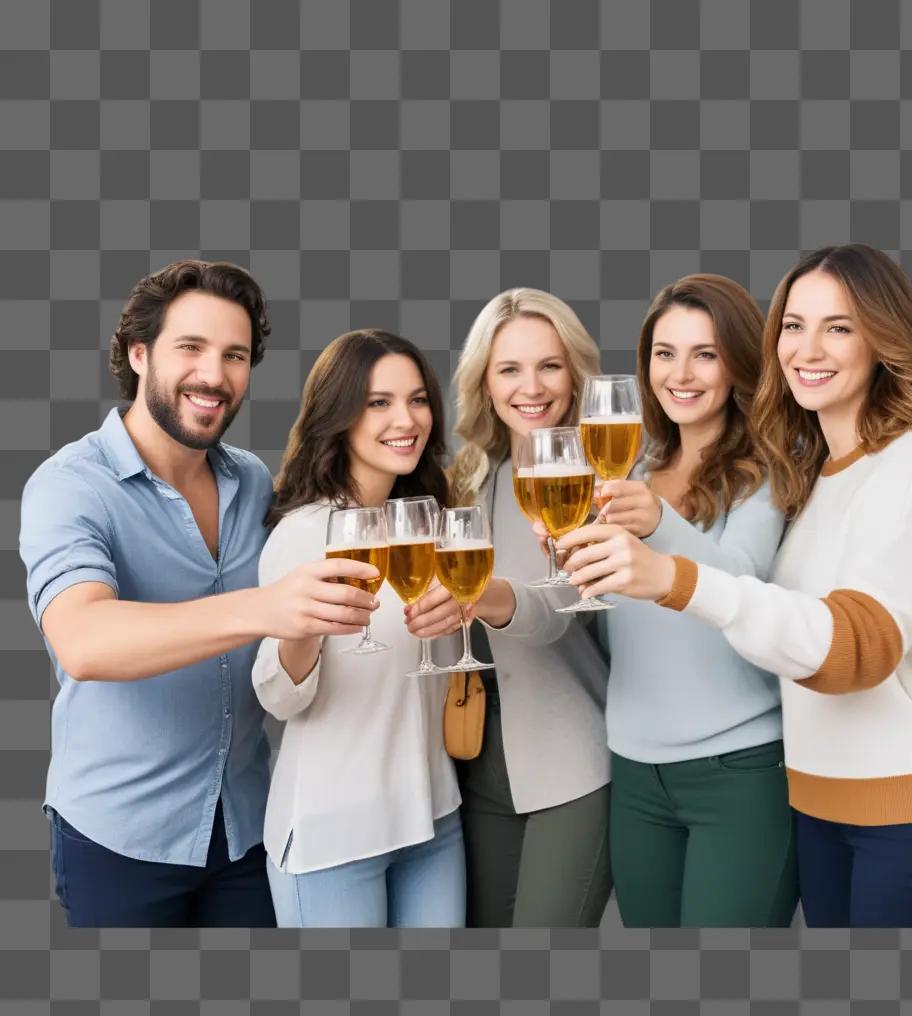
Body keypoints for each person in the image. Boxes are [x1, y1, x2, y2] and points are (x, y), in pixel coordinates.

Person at [562, 245, 912, 927]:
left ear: (885, 339)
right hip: (821, 807)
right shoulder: (819, 477)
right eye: (794, 325)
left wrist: (675, 576)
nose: (808, 348)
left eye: (840, 326)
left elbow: (856, 649)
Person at [20, 260, 377, 927]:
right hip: (121, 839)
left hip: (247, 826)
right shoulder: (69, 486)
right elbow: (83, 641)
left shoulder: (251, 482)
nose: (214, 375)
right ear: (138, 354)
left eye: (235, 355)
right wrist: (263, 609)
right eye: (191, 347)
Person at [578, 274, 796, 926]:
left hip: (739, 774)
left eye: (705, 353)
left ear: (738, 364)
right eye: (664, 352)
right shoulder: (630, 472)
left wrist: (658, 524)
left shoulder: (766, 472)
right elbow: (612, 621)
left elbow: (741, 581)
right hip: (636, 772)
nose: (681, 373)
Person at [406, 288, 612, 927]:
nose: (533, 387)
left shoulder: (605, 478)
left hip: (572, 761)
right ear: (485, 384)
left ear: (575, 376)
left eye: (549, 365)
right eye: (509, 369)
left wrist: (484, 594)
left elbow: (559, 613)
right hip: (476, 761)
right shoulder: (468, 480)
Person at [255, 329, 465, 927]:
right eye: (379, 403)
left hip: (433, 821)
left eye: (418, 399)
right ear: (338, 415)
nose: (407, 419)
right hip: (335, 836)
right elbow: (277, 696)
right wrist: (302, 630)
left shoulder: (430, 526)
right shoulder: (303, 534)